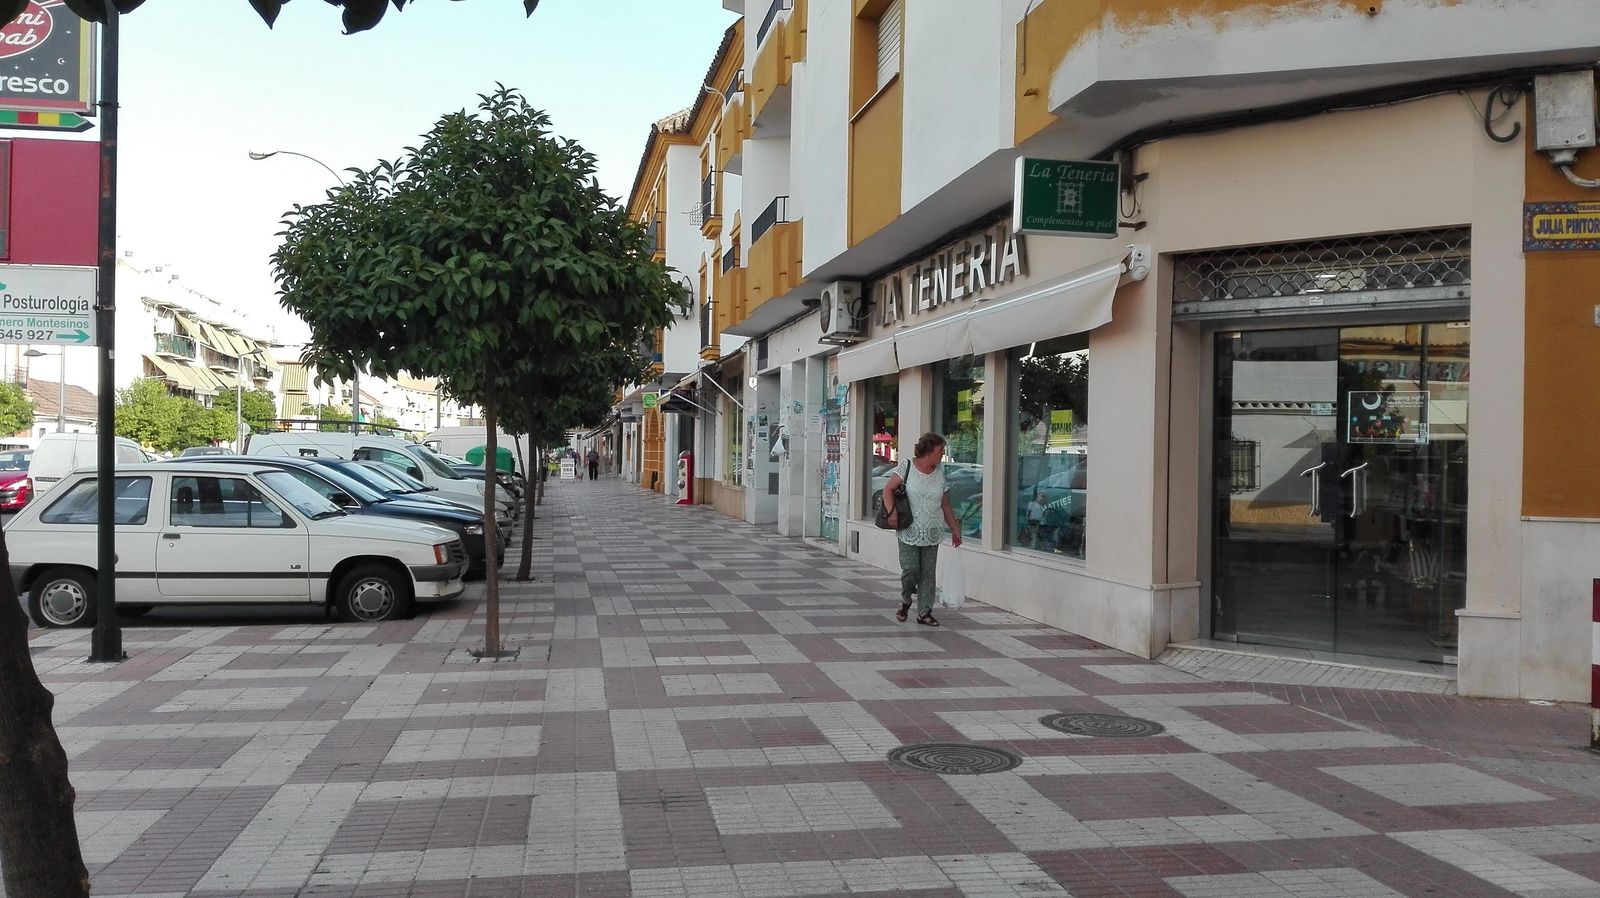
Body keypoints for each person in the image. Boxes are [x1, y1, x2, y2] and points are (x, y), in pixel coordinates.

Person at [883, 432, 963, 627]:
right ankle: (906, 600)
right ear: (929, 451)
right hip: (909, 528)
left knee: (928, 573)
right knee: (910, 569)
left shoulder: (939, 475)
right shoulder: (907, 466)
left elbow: (945, 505)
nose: (942, 454)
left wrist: (954, 529)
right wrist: (892, 512)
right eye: (940, 450)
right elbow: (888, 490)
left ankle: (925, 612)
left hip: (932, 530)